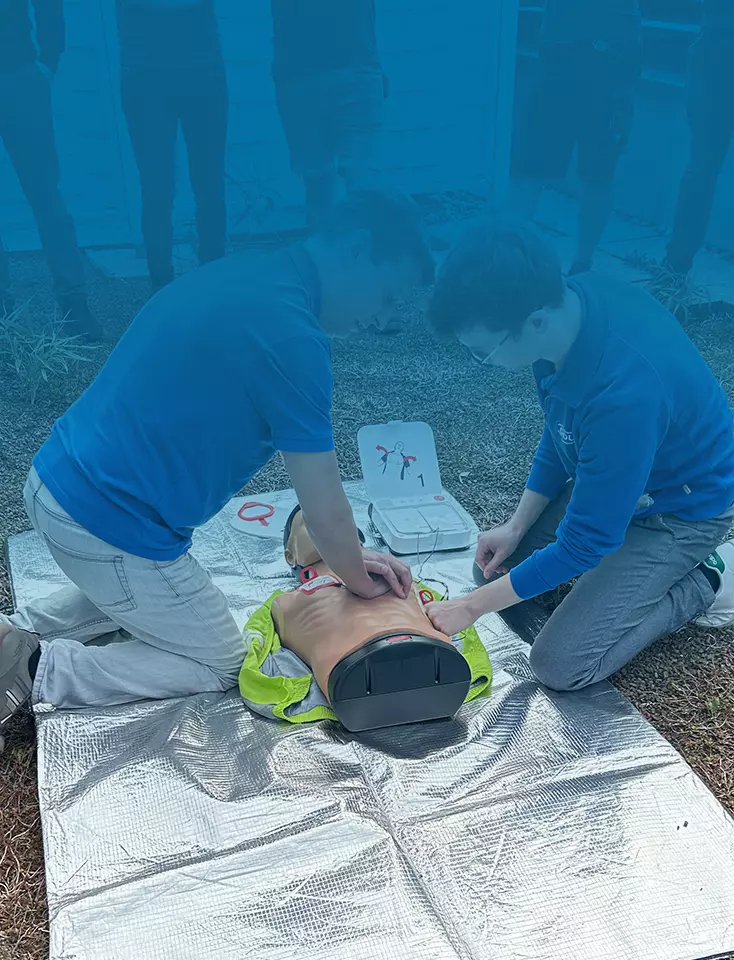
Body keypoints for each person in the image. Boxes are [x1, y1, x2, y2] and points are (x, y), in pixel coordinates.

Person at [0, 190, 434, 750]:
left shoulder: (245, 273)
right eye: (388, 294)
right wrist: (356, 578)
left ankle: (16, 632)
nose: (383, 318)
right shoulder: (293, 337)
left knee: (148, 601)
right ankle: (34, 667)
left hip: (56, 483)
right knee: (220, 662)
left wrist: (349, 556)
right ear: (357, 249)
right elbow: (324, 507)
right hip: (108, 525)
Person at [424, 218, 734, 692]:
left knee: (560, 665)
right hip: (625, 475)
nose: (484, 362)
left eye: (483, 351)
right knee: (493, 570)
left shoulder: (625, 395)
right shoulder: (567, 312)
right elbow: (561, 429)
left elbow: (585, 544)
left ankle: (705, 580)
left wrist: (469, 608)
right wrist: (517, 525)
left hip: (680, 509)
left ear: (535, 322)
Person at [510, 0, 641, 275]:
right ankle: (511, 260)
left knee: (598, 175)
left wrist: (626, 82)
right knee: (530, 172)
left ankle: (582, 264)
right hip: (559, 65)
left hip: (607, 72)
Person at [0, 0, 101, 338]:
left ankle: (75, 306)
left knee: (45, 192)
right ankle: (6, 313)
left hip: (19, 75)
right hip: (22, 76)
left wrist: (49, 59)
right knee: (47, 194)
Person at [116, 0, 228, 293]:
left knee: (208, 185)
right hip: (145, 74)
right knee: (158, 189)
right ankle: (162, 287)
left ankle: (214, 282)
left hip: (201, 68)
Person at [271, 0, 387, 230]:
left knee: (322, 179)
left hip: (302, 73)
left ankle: (328, 248)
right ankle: (360, 248)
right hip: (348, 68)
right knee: (357, 176)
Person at [663, 0, 734, 278]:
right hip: (715, 49)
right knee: (702, 168)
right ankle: (674, 267)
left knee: (702, 167)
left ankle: (674, 269)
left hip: (713, 48)